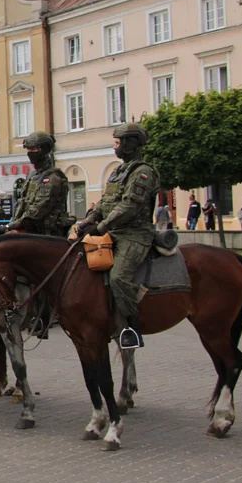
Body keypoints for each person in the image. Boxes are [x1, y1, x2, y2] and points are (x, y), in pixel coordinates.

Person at [75, 122, 159, 349]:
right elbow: (105, 201)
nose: (115, 147)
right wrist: (89, 219)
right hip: (113, 231)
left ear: (130, 144)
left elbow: (129, 205)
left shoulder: (143, 172)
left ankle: (132, 327)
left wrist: (100, 228)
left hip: (135, 235)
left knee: (118, 277)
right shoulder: (118, 171)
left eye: (117, 142)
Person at [7, 131, 71, 236]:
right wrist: (11, 225)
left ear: (43, 150)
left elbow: (38, 211)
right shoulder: (31, 175)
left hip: (48, 235)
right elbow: (22, 204)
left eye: (33, 149)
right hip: (28, 232)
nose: (29, 153)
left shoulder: (53, 178)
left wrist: (10, 226)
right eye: (28, 149)